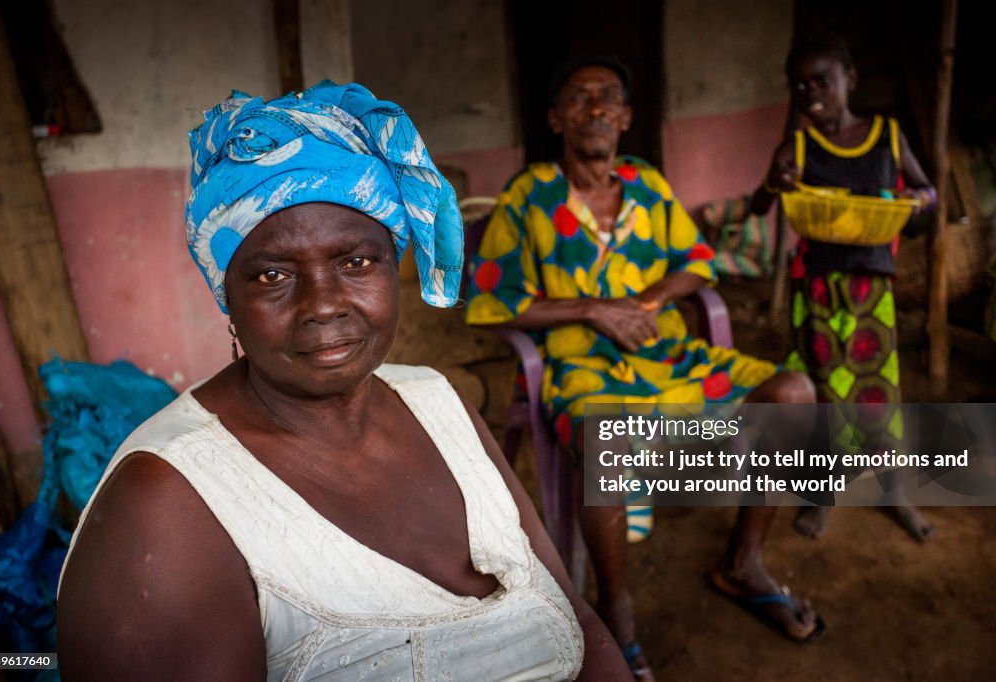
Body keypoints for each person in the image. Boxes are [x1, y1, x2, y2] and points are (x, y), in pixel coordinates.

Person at [56, 81, 633, 681]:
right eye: (272, 275)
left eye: (356, 262)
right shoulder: (167, 502)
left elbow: (580, 625)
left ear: (392, 267)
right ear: (226, 294)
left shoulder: (434, 397)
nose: (323, 305)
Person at [466, 56, 825, 679]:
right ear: (556, 118)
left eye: (610, 98)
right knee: (605, 436)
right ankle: (616, 607)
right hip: (584, 366)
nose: (598, 108)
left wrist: (648, 302)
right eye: (580, 98)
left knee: (792, 392)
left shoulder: (647, 183)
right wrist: (593, 310)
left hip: (669, 355)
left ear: (628, 117)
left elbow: (696, 259)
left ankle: (743, 562)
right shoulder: (529, 196)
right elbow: (496, 301)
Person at [750, 33, 937, 541]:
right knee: (826, 398)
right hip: (816, 290)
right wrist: (773, 178)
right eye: (800, 84)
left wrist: (919, 202)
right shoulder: (798, 146)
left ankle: (893, 489)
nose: (811, 91)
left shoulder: (888, 135)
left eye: (823, 80)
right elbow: (758, 209)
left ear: (849, 80)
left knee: (879, 395)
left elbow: (928, 193)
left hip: (871, 290)